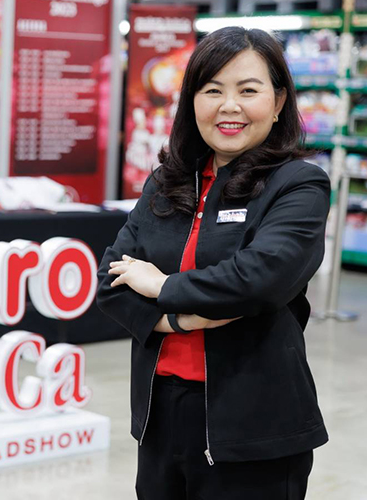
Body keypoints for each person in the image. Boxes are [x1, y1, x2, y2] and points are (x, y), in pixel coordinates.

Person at [96, 27, 329, 500]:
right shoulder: (167, 182)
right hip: (160, 416)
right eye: (213, 90)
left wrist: (161, 287)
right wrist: (183, 319)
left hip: (253, 425)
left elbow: (259, 280)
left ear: (279, 102)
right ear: (191, 101)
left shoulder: (298, 185)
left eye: (249, 90)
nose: (229, 106)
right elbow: (110, 282)